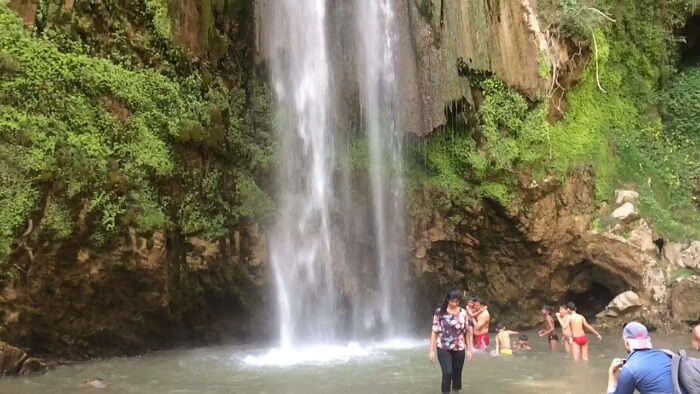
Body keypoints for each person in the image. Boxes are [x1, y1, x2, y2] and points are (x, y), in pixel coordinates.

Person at [607, 321, 674, 394]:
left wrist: (612, 372)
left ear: (626, 343)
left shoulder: (630, 368)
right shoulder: (667, 354)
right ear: (649, 340)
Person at [430, 290, 474, 394]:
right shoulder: (440, 312)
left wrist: (469, 350)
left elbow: (466, 332)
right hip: (443, 347)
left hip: (459, 347)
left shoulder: (463, 313)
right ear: (448, 300)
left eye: (457, 301)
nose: (455, 303)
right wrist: (431, 350)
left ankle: (456, 391)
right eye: (453, 301)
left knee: (457, 374)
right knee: (447, 372)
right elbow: (434, 331)